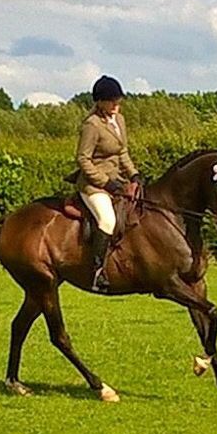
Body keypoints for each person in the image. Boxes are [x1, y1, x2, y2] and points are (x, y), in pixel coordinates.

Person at [75, 75, 141, 292]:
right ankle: (97, 272)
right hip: (93, 185)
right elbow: (83, 159)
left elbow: (122, 152)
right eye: (112, 100)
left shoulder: (118, 120)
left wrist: (134, 174)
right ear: (100, 101)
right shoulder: (91, 125)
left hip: (116, 181)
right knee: (107, 220)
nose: (116, 104)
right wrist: (105, 183)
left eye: (118, 100)